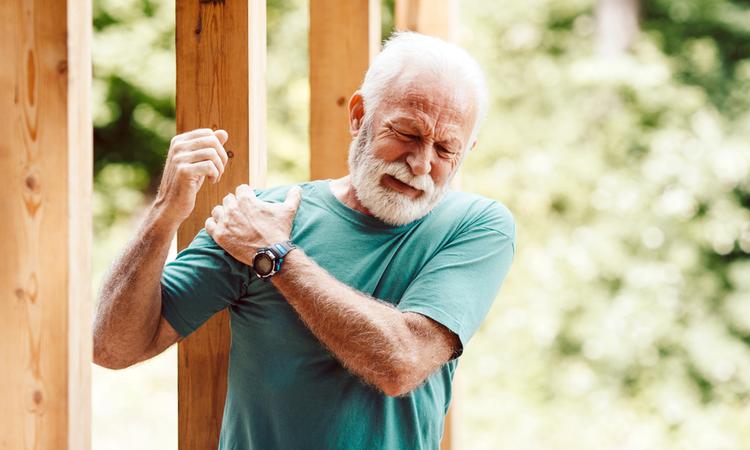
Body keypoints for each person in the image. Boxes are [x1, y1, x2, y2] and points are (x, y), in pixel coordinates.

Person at [93, 32, 515, 449]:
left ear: (468, 150)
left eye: (446, 149)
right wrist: (166, 210)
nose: (421, 163)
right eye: (407, 133)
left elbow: (401, 364)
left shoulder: (476, 226)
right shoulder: (258, 217)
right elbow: (112, 347)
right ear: (358, 115)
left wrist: (275, 256)